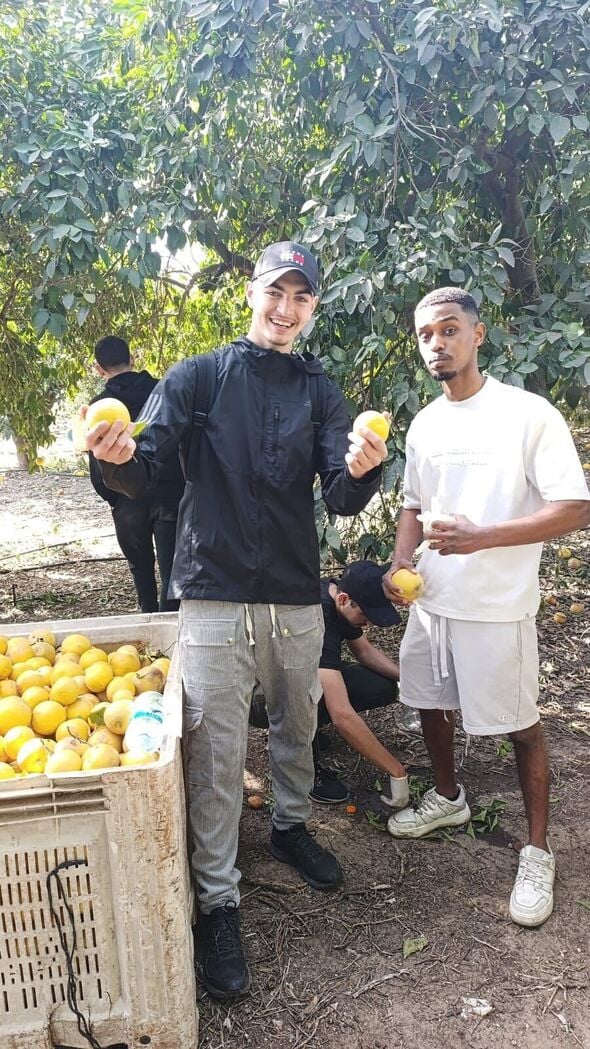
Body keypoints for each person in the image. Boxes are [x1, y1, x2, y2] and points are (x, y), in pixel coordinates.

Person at [84, 241, 387, 1000]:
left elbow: (340, 493)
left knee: (298, 717)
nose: (286, 309)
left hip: (292, 590)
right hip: (212, 587)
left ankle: (289, 825)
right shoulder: (198, 376)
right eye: (275, 292)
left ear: (313, 307)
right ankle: (219, 897)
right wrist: (115, 456)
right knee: (217, 745)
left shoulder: (320, 389)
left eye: (301, 297)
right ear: (252, 293)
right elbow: (146, 466)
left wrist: (362, 469)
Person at [383, 286, 590, 929]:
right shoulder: (425, 423)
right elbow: (413, 505)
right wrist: (399, 562)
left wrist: (484, 538)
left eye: (449, 329)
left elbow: (575, 508)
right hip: (432, 601)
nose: (436, 344)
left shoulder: (526, 414)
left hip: (498, 606)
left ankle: (537, 851)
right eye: (425, 335)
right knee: (429, 702)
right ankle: (449, 797)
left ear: (477, 334)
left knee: (521, 726)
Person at [250, 560, 411, 807]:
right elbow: (342, 715)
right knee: (309, 692)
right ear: (344, 599)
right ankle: (303, 768)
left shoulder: (334, 596)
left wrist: (407, 679)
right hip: (259, 695)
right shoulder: (318, 618)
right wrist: (396, 771)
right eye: (365, 614)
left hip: (292, 672)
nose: (368, 622)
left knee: (380, 685)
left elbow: (364, 652)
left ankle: (310, 729)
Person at [88, 336, 184, 613]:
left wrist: (114, 499)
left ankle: (147, 619)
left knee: (140, 568)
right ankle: (171, 629)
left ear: (98, 369)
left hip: (127, 502)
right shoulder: (161, 392)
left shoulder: (99, 406)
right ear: (132, 359)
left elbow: (97, 465)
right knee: (171, 572)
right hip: (170, 496)